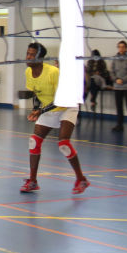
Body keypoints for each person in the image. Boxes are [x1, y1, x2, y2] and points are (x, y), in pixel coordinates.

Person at [19, 42, 89, 194]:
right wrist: (37, 108)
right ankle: (32, 181)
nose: (28, 57)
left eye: (32, 54)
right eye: (28, 53)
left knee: (63, 144)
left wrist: (41, 110)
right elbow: (36, 95)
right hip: (49, 107)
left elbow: (61, 100)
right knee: (34, 141)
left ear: (40, 58)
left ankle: (81, 179)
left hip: (67, 106)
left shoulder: (53, 72)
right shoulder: (28, 73)